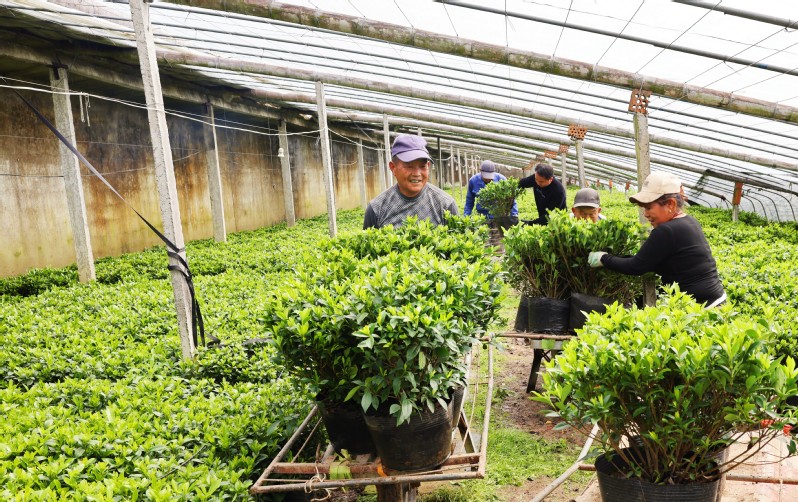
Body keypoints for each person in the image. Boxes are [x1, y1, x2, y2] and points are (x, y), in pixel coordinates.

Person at [587, 172, 726, 307]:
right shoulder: (689, 221)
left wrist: (603, 258)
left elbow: (636, 267)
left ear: (670, 204)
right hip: (716, 300)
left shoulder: (666, 231)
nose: (645, 214)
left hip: (703, 307)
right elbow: (649, 261)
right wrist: (617, 258)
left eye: (648, 207)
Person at [363, 134, 458, 229]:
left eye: (422, 166)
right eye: (409, 166)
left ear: (428, 166)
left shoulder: (446, 205)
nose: (417, 173)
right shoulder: (376, 209)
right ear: (393, 167)